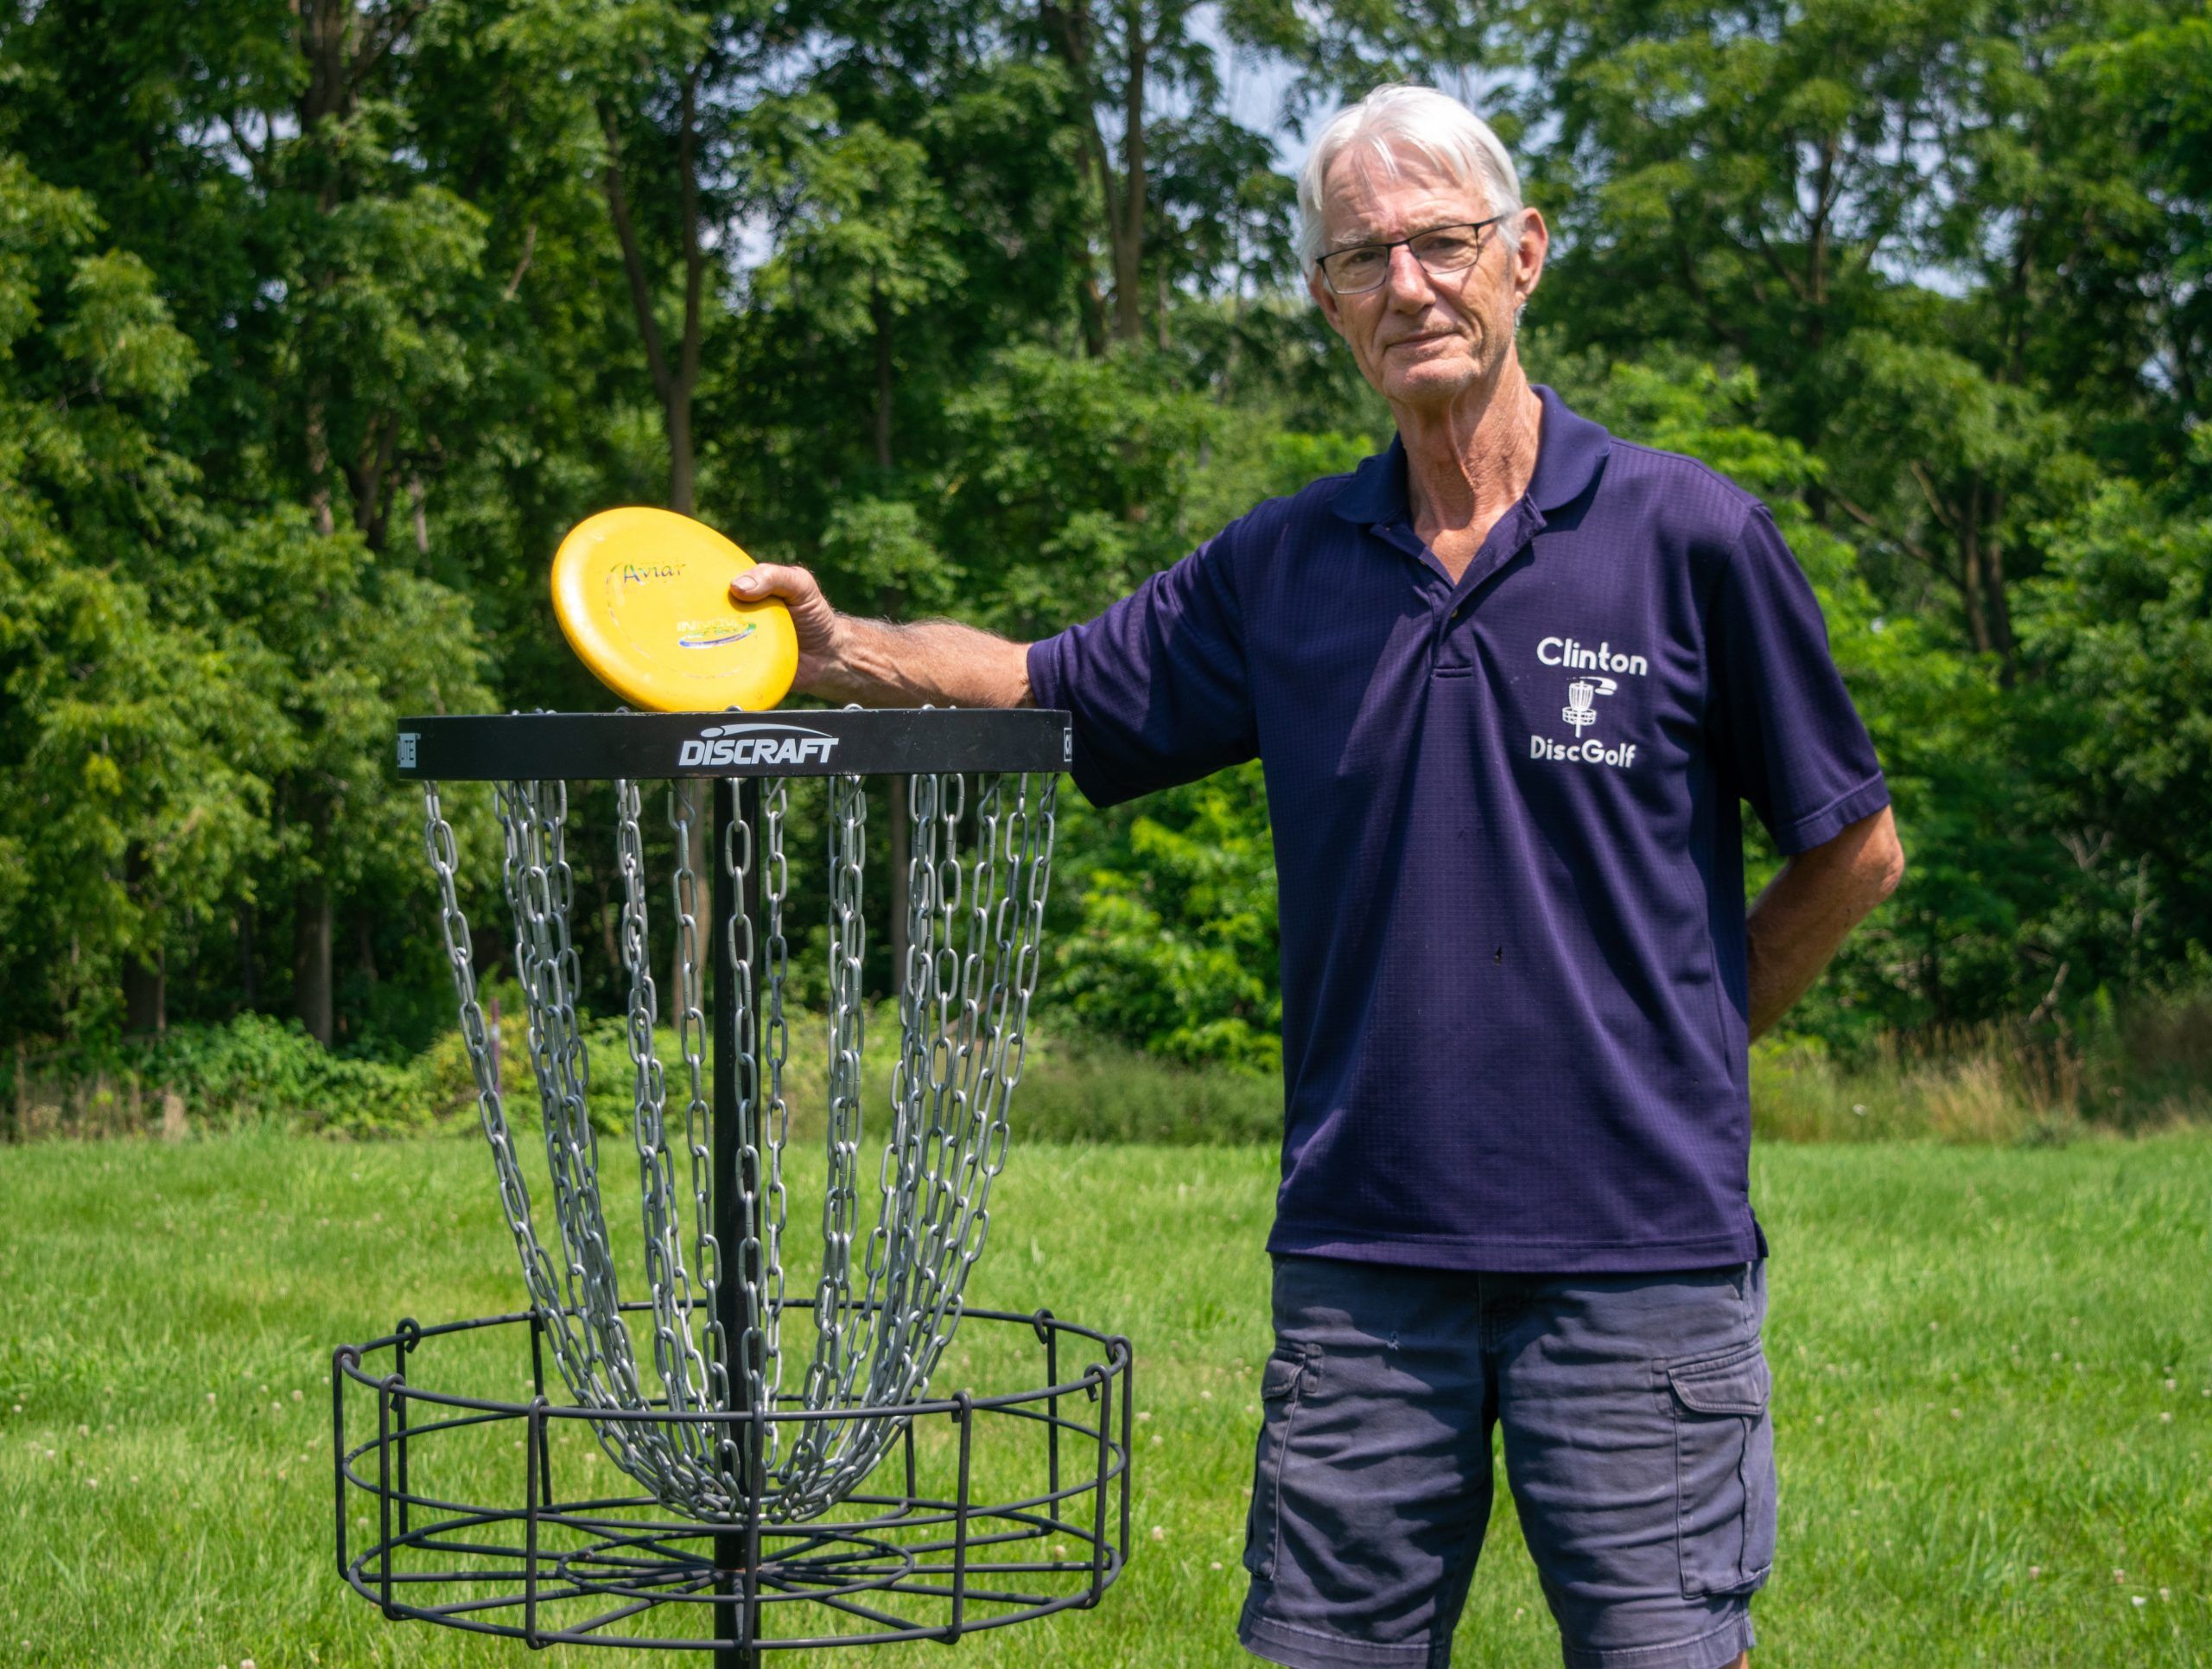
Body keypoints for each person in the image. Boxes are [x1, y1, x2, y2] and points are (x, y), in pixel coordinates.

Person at [732, 81, 1902, 1669]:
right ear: (1327, 299)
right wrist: (841, 647)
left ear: (1525, 256)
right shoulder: (1281, 569)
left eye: (1443, 243)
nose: (1410, 284)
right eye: (1366, 257)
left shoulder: (1687, 535)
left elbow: (1853, 847)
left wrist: (1695, 1036)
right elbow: (1035, 686)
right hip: (1365, 1267)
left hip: (1641, 1266)